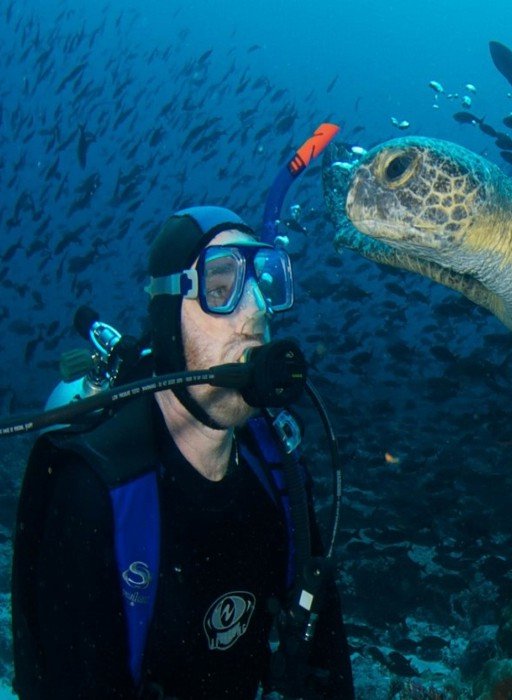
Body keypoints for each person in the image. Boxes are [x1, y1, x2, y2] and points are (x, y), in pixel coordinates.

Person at [11, 207, 355, 699]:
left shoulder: (280, 475)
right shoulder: (97, 493)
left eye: (265, 285)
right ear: (168, 314)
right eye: (221, 288)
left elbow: (327, 664)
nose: (256, 310)